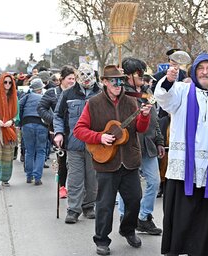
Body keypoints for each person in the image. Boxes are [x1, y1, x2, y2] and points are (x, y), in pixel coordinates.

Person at [154, 52, 208, 256]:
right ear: (194, 72)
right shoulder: (182, 91)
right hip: (184, 167)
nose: (205, 72)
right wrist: (168, 80)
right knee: (182, 215)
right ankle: (176, 250)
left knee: (207, 216)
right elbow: (164, 99)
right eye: (201, 69)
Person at [73, 65, 152, 256]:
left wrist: (145, 116)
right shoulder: (93, 103)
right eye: (114, 81)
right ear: (105, 82)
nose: (118, 84)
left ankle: (128, 230)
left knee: (134, 200)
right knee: (105, 204)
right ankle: (101, 240)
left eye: (120, 81)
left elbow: (140, 129)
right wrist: (99, 137)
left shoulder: (132, 102)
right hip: (106, 161)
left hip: (130, 160)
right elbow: (79, 130)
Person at [118, 57, 165, 235]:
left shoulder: (147, 92)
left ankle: (144, 217)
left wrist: (159, 140)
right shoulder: (121, 93)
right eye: (139, 72)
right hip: (129, 145)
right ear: (129, 75)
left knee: (154, 181)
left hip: (149, 145)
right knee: (127, 186)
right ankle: (124, 217)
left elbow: (155, 118)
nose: (142, 75)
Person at [54, 63, 100, 224]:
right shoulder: (68, 94)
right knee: (75, 178)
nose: (86, 79)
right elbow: (58, 116)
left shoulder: (100, 93)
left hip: (95, 143)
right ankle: (73, 209)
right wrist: (59, 133)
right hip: (73, 143)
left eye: (89, 76)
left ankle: (89, 206)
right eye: (83, 76)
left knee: (92, 178)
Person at [37, 65, 76, 198]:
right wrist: (53, 120)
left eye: (74, 78)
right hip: (59, 133)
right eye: (69, 78)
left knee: (75, 162)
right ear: (62, 79)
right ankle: (62, 186)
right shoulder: (52, 93)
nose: (72, 81)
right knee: (62, 161)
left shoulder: (77, 93)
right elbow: (41, 108)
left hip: (75, 132)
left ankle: (75, 188)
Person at [19, 78, 49, 185]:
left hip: (27, 124)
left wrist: (20, 122)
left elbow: (19, 107)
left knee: (29, 151)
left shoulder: (26, 97)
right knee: (40, 151)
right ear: (40, 89)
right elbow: (49, 112)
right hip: (41, 124)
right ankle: (37, 178)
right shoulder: (44, 98)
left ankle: (29, 176)